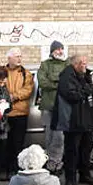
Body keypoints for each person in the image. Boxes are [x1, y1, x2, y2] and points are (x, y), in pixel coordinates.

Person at [57, 54, 93, 185]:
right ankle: (71, 178)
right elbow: (72, 95)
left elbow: (88, 92)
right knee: (72, 150)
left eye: (86, 63)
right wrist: (88, 89)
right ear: (76, 64)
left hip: (85, 117)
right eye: (83, 64)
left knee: (86, 147)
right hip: (73, 120)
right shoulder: (66, 76)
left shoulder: (83, 75)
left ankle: (84, 174)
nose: (85, 66)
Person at [3, 48, 35, 184]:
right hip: (5, 113)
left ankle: (15, 170)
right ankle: (5, 170)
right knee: (5, 143)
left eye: (20, 56)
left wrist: (12, 96)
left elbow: (27, 90)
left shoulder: (25, 73)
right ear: (9, 58)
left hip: (20, 113)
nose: (19, 59)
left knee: (18, 143)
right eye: (16, 56)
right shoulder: (2, 72)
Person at [37, 42, 68, 171]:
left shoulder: (67, 65)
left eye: (62, 49)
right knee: (49, 135)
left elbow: (68, 82)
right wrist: (59, 82)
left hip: (62, 106)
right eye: (58, 49)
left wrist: (53, 80)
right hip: (48, 106)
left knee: (59, 137)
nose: (60, 51)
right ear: (52, 51)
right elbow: (43, 82)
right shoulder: (45, 65)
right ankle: (50, 162)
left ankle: (57, 163)